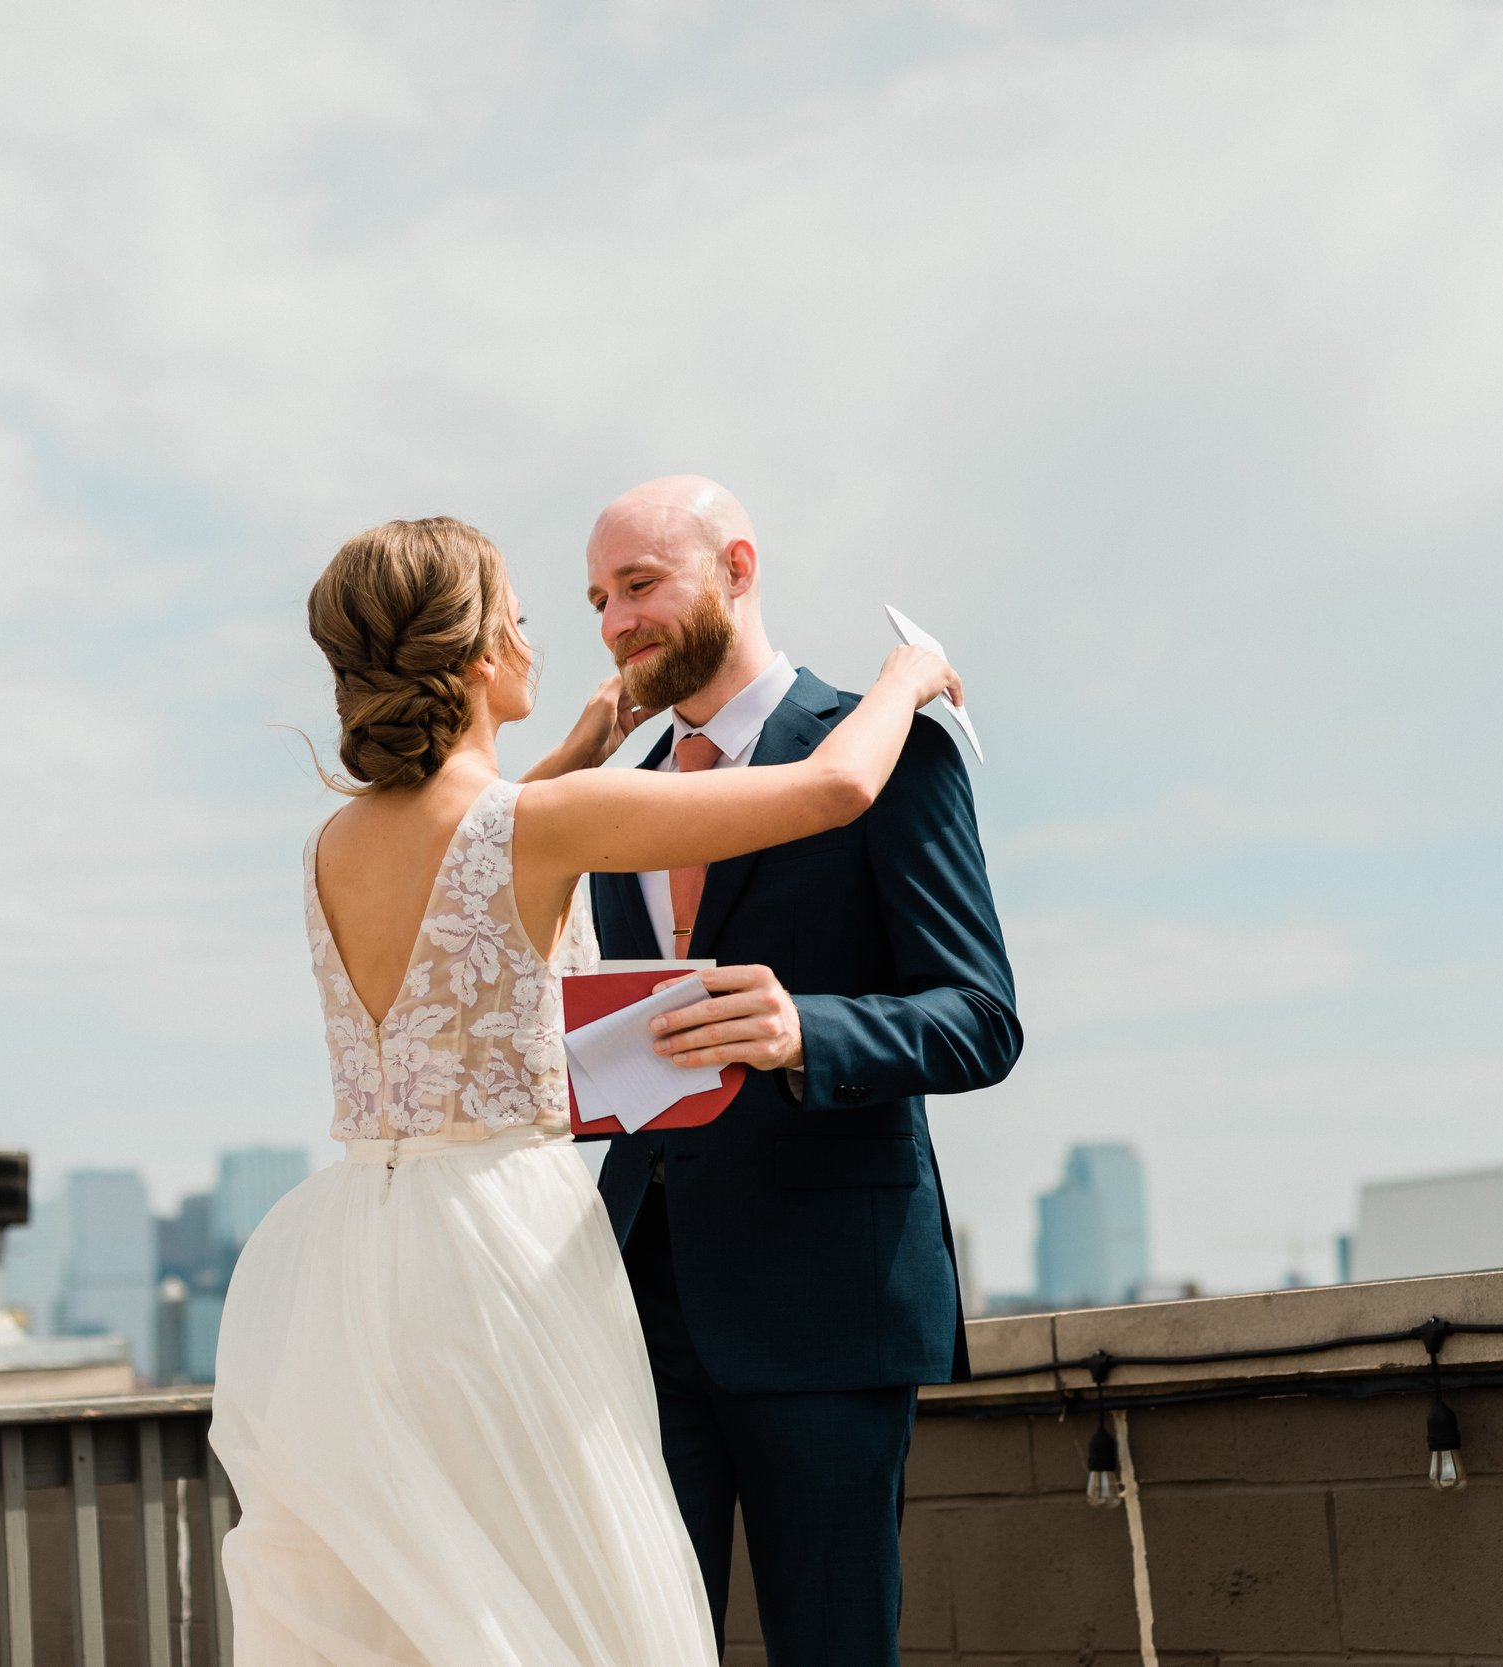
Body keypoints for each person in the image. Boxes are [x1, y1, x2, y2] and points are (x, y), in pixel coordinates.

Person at [208, 515, 962, 1667]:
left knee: (441, 1586)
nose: (538, 634)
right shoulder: (541, 823)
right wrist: (908, 676)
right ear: (474, 657)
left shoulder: (333, 844)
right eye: (515, 613)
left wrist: (574, 748)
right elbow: (834, 788)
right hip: (503, 1243)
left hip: (361, 1251)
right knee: (568, 1586)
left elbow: (470, 852)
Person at [582, 476, 1021, 1666]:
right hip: (636, 1307)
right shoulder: (612, 800)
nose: (616, 622)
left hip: (827, 1306)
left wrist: (805, 1029)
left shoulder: (887, 753)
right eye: (597, 601)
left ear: (736, 566)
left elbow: (981, 1017)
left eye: (639, 585)